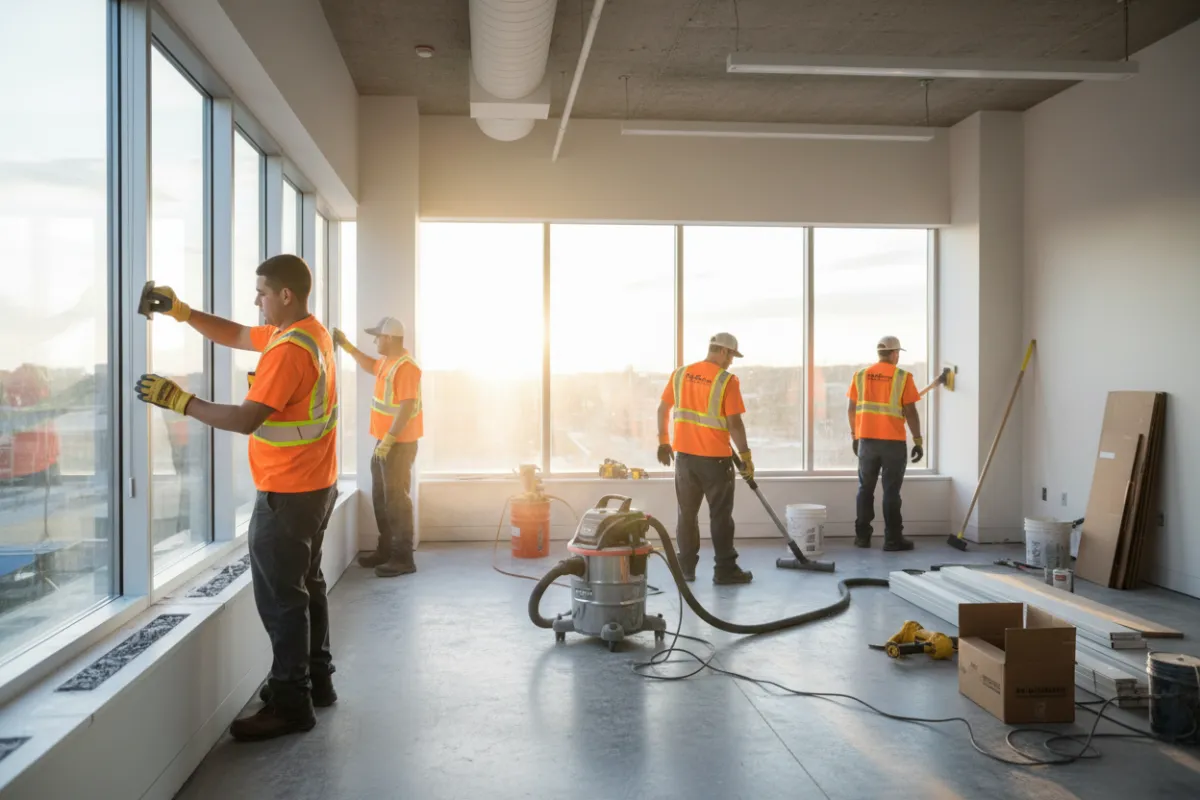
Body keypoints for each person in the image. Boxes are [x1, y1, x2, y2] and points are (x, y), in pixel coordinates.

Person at [134, 255, 339, 742]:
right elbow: (237, 334)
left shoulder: (289, 351)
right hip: (316, 486)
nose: (256, 300)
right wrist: (182, 311)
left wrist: (180, 401)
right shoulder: (309, 332)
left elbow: (247, 419)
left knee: (282, 601)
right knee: (307, 586)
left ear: (285, 295)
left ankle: (292, 704)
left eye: (262, 292)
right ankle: (318, 681)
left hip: (287, 495)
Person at [656, 333, 755, 585]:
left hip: (685, 459)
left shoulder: (680, 374)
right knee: (720, 516)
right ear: (723, 352)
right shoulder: (726, 381)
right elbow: (734, 423)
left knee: (686, 514)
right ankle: (725, 570)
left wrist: (663, 441)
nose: (731, 361)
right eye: (732, 356)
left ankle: (685, 568)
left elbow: (662, 409)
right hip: (716, 461)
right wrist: (745, 456)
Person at [333, 316, 422, 577]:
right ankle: (386, 550)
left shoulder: (406, 367)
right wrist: (348, 347)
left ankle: (403, 557)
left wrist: (389, 440)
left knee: (397, 501)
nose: (374, 341)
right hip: (384, 443)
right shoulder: (387, 363)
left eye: (377, 337)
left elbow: (406, 406)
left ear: (389, 338)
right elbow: (370, 365)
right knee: (382, 498)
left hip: (398, 445)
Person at [847, 335, 924, 552]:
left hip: (867, 442)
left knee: (865, 489)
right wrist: (918, 440)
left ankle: (862, 537)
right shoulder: (903, 377)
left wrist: (855, 436)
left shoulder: (860, 376)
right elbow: (910, 411)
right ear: (895, 353)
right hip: (893, 444)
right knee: (891, 492)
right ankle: (892, 539)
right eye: (898, 353)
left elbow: (851, 409)